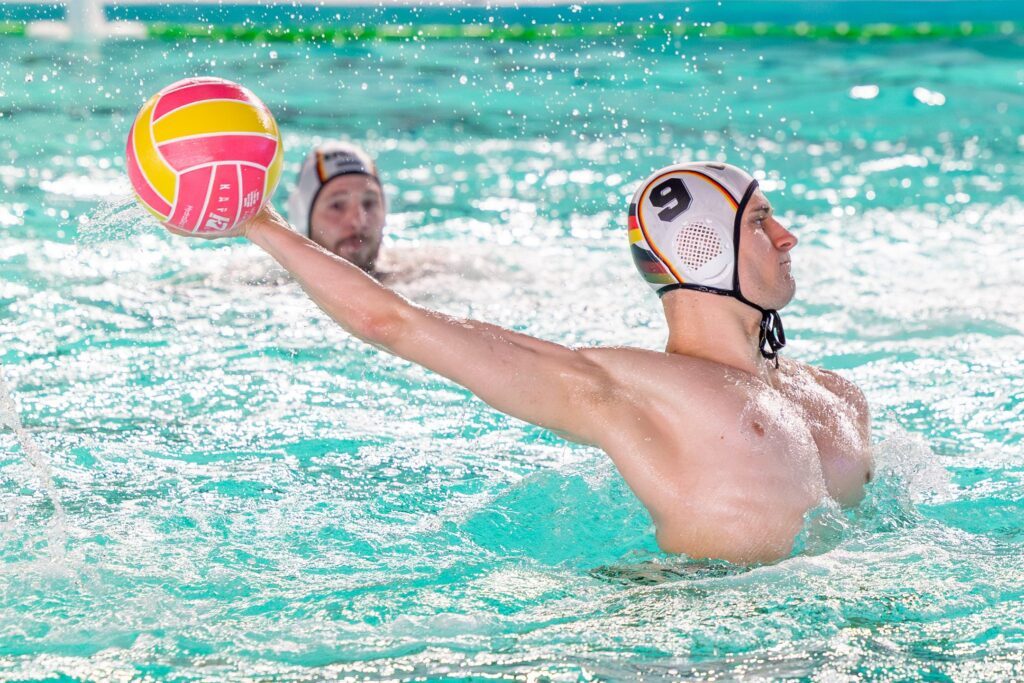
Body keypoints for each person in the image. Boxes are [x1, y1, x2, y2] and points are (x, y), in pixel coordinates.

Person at [165, 161, 873, 565]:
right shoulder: (624, 390)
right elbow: (395, 322)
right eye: (759, 220)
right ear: (700, 250)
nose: (789, 235)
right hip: (697, 644)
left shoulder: (835, 396)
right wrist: (261, 222)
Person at [286, 140, 386, 276]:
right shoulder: (268, 286)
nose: (358, 221)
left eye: (369, 203)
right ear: (303, 217)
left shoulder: (417, 273)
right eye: (337, 205)